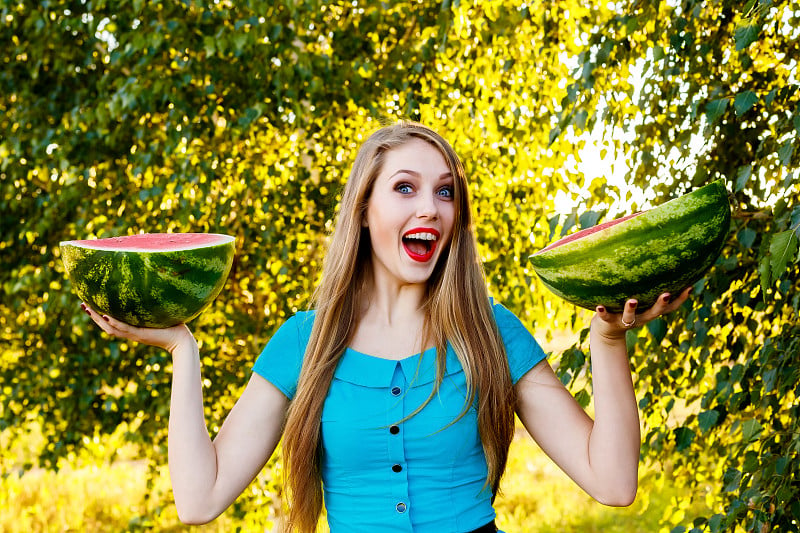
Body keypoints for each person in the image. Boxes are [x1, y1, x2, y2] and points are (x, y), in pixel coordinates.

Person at [82, 121, 690, 533]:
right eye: (406, 188)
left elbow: (611, 483)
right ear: (365, 211)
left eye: (445, 193)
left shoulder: (492, 334)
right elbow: (199, 500)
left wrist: (609, 340)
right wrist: (182, 351)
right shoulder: (303, 342)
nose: (431, 207)